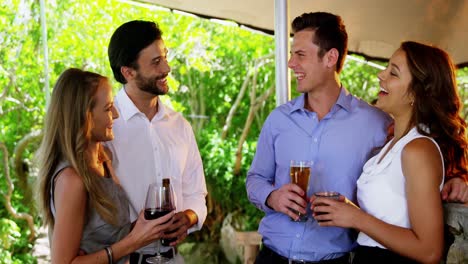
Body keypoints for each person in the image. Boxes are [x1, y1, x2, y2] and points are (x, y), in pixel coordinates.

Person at [246, 12, 392, 263]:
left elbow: (412, 158)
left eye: (300, 55)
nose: (291, 64)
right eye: (292, 54)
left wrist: (457, 178)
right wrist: (273, 197)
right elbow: (255, 179)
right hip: (271, 257)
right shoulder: (278, 119)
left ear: (331, 58)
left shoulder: (376, 124)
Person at [311, 41, 468, 263]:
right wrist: (346, 210)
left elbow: (430, 251)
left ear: (416, 93)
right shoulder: (392, 145)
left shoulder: (418, 149)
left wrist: (356, 217)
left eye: (393, 73)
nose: (380, 75)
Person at [37, 68, 174, 263]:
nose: (116, 114)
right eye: (108, 108)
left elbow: (107, 237)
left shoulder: (104, 159)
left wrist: (140, 227)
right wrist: (134, 241)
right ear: (85, 116)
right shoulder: (72, 180)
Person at [106, 20, 208, 263]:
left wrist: (189, 217)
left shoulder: (180, 125)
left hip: (173, 258)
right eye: (155, 62)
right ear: (128, 72)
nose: (167, 68)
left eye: (165, 57)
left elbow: (196, 193)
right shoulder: (105, 127)